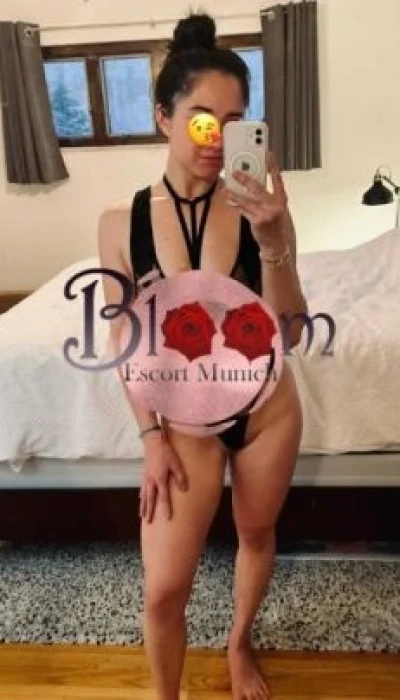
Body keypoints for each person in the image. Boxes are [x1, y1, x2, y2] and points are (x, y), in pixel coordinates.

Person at [98, 11, 307, 700]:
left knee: (255, 532)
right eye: (201, 118)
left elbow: (290, 332)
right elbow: (124, 338)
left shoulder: (260, 208)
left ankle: (239, 642)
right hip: (185, 422)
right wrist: (149, 436)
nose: (217, 136)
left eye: (235, 120)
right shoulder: (120, 222)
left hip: (265, 411)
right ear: (164, 117)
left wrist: (273, 242)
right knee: (163, 590)